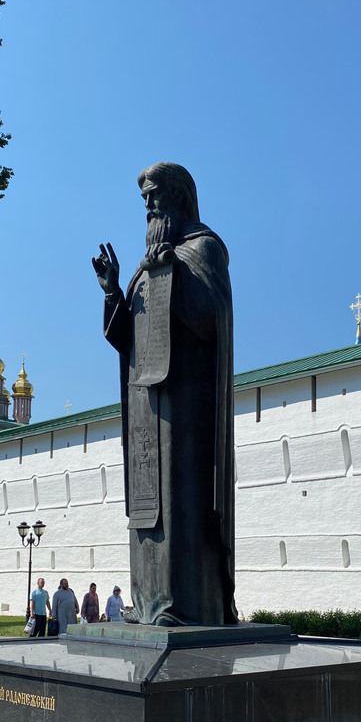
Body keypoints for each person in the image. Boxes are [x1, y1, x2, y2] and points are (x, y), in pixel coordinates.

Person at [93, 162, 237, 626]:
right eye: (144, 198)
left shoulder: (204, 248)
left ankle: (184, 605)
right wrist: (113, 292)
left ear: (177, 195)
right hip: (145, 405)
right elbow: (126, 337)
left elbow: (211, 318)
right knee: (147, 507)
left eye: (154, 194)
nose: (149, 205)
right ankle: (148, 601)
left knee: (179, 501)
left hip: (185, 405)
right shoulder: (147, 262)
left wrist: (170, 270)